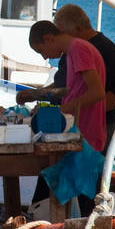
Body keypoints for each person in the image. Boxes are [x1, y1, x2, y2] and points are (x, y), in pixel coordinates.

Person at [17, 4, 115, 135]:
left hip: (99, 127)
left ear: (77, 29)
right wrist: (37, 94)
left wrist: (73, 111)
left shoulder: (106, 50)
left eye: (61, 33)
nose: (58, 37)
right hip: (72, 124)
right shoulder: (70, 50)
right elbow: (67, 86)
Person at [28, 20, 106, 154]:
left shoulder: (78, 49)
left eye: (41, 51)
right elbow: (74, 91)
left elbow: (97, 93)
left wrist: (58, 112)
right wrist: (45, 104)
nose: (45, 56)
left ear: (48, 39)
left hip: (85, 134)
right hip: (76, 132)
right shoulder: (71, 52)